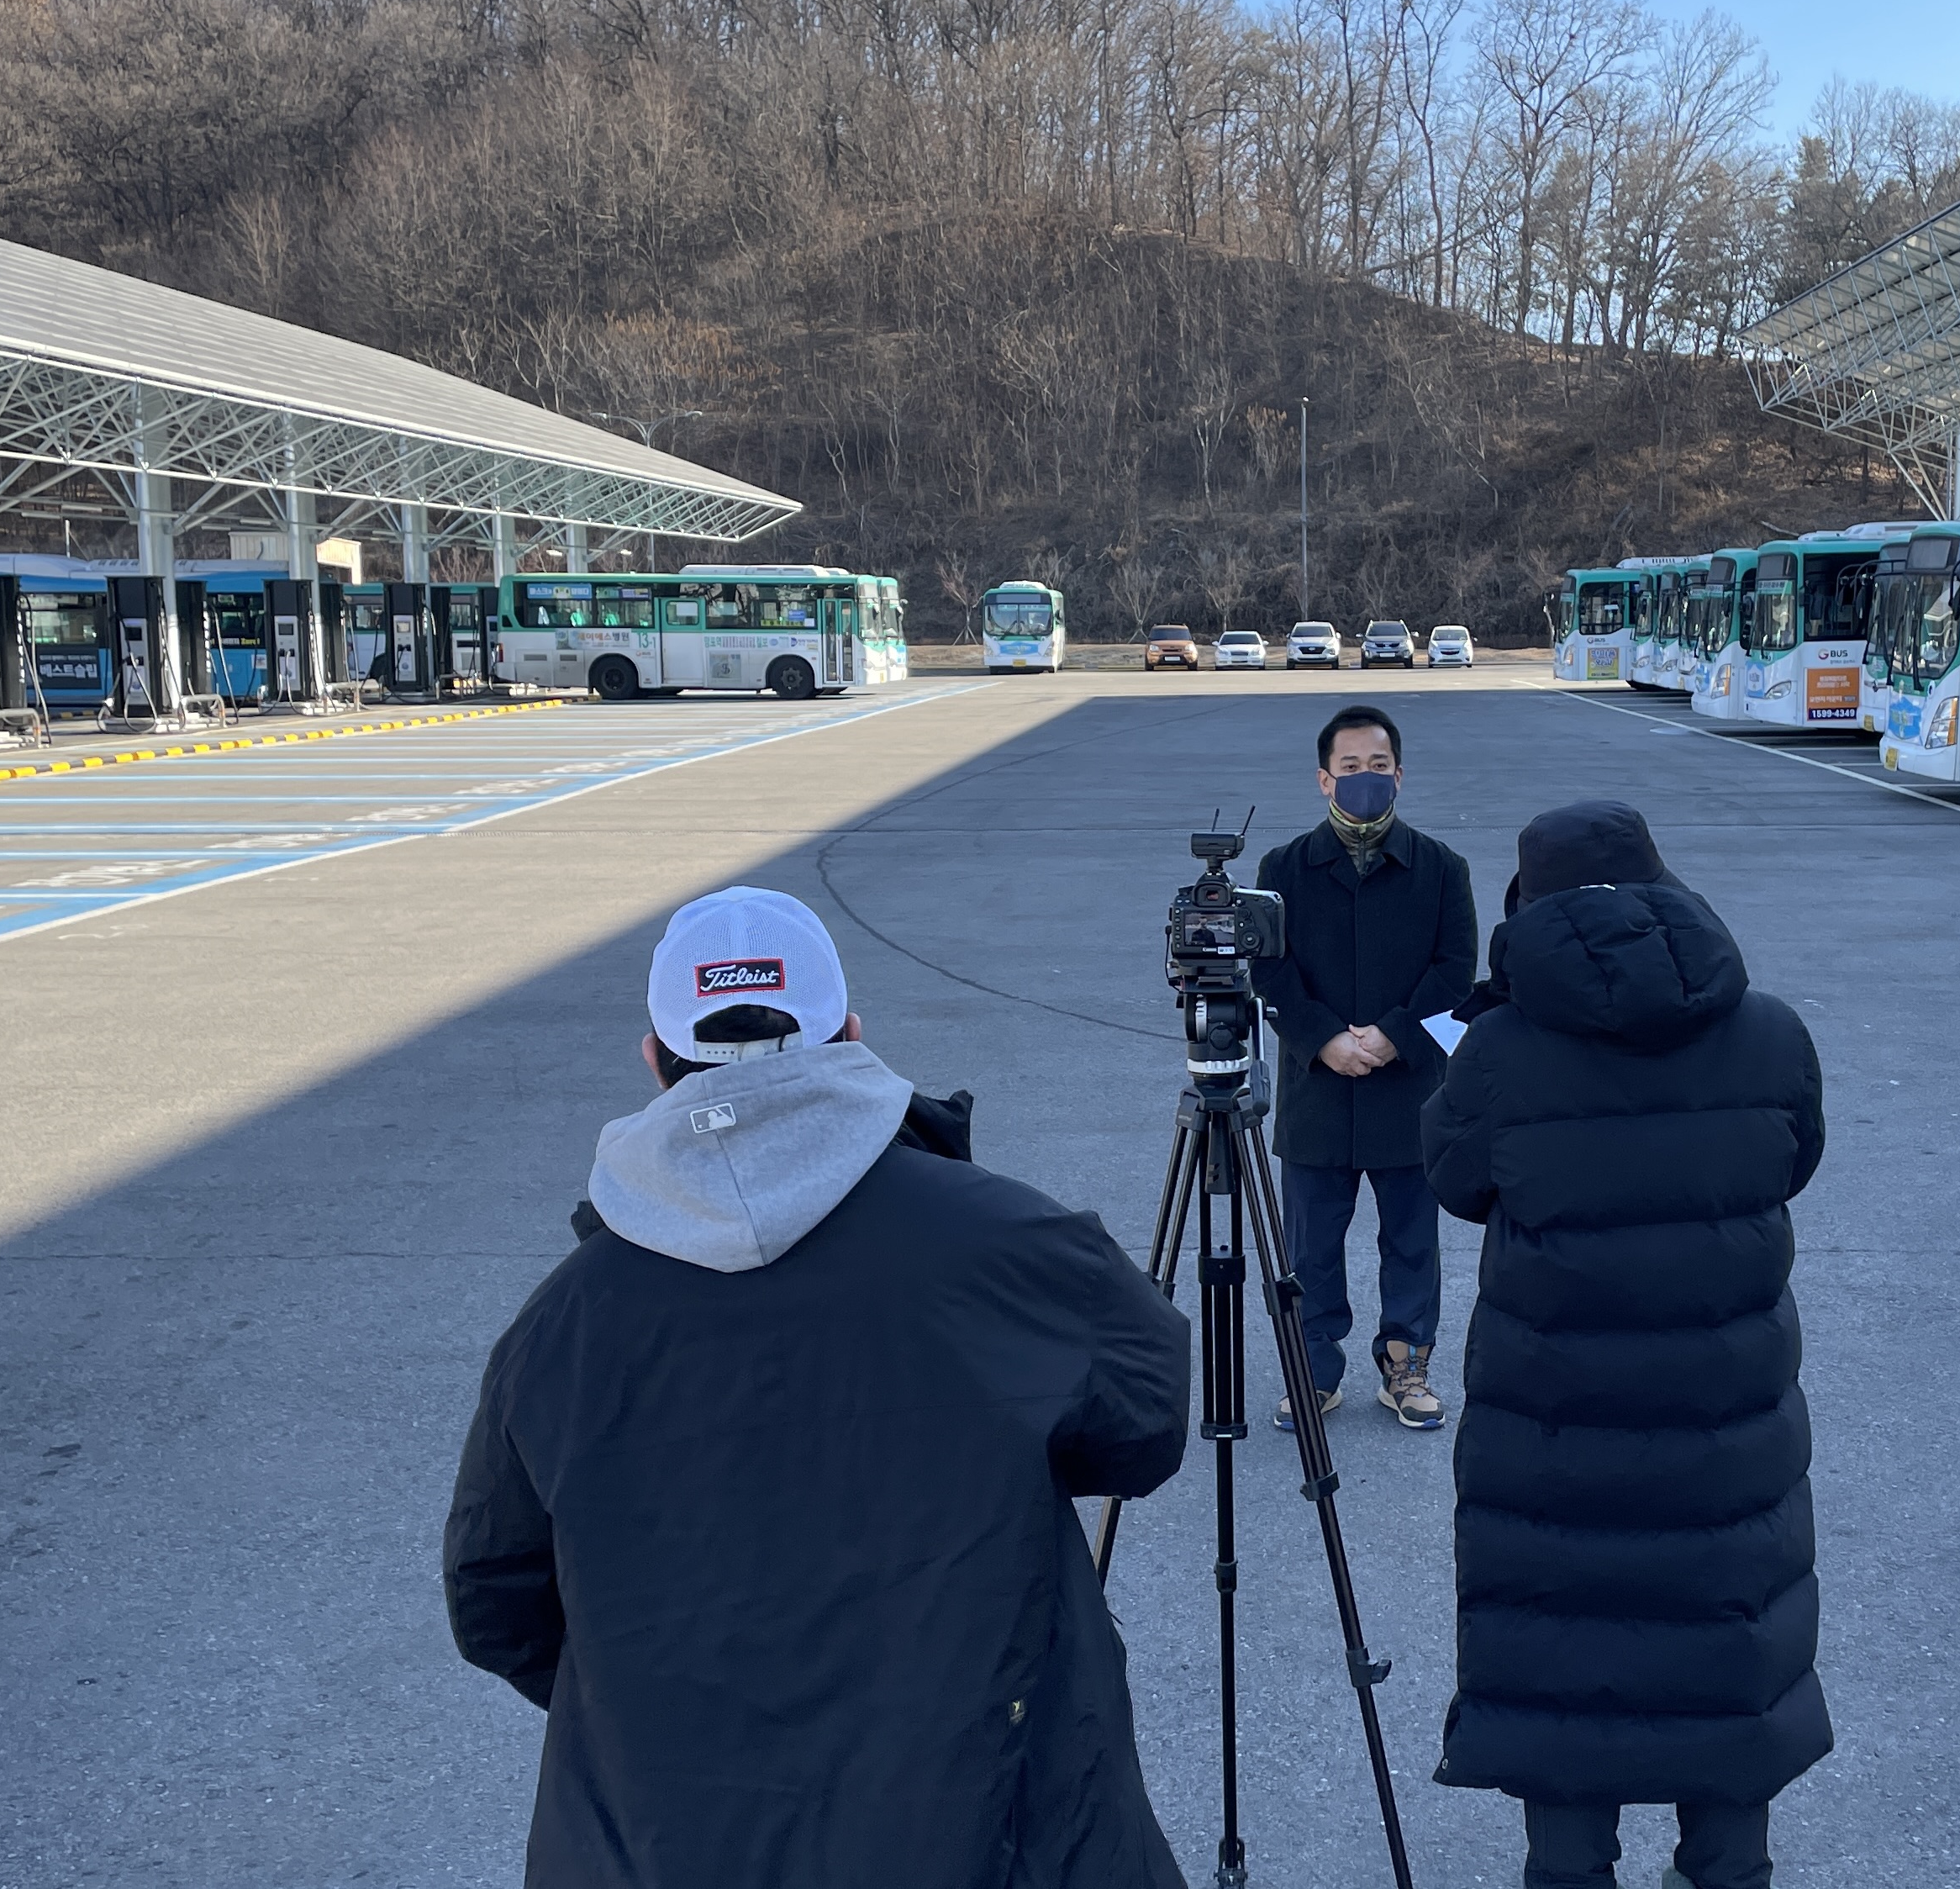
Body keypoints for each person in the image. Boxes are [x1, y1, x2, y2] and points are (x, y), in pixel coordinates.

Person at [444, 886, 1192, 1889]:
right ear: (849, 1037)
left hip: (664, 1839)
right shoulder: (1014, 1246)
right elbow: (1143, 1430)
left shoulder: (560, 1328)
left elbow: (496, 1601)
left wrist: (656, 1707)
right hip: (995, 1819)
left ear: (656, 1060)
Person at [1420, 803, 1831, 1889]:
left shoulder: (1501, 1049)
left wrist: (1489, 1018)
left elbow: (1454, 1176)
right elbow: (1792, 1162)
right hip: (1725, 1438)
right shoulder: (1771, 1032)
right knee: (1726, 1699)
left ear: (1528, 909)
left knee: (1563, 1703)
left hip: (1551, 1440)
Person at [1251, 702, 1479, 1431]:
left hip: (1409, 1088)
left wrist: (1392, 1036)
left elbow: (1455, 974)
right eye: (1350, 767)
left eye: (1378, 766)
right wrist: (1322, 1038)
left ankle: (1406, 1367)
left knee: (1412, 1240)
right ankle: (1313, 1372)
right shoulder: (1283, 868)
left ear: (1399, 776)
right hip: (1317, 1086)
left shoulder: (1441, 868)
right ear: (1324, 779)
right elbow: (1269, 969)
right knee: (1311, 1245)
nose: (1365, 778)